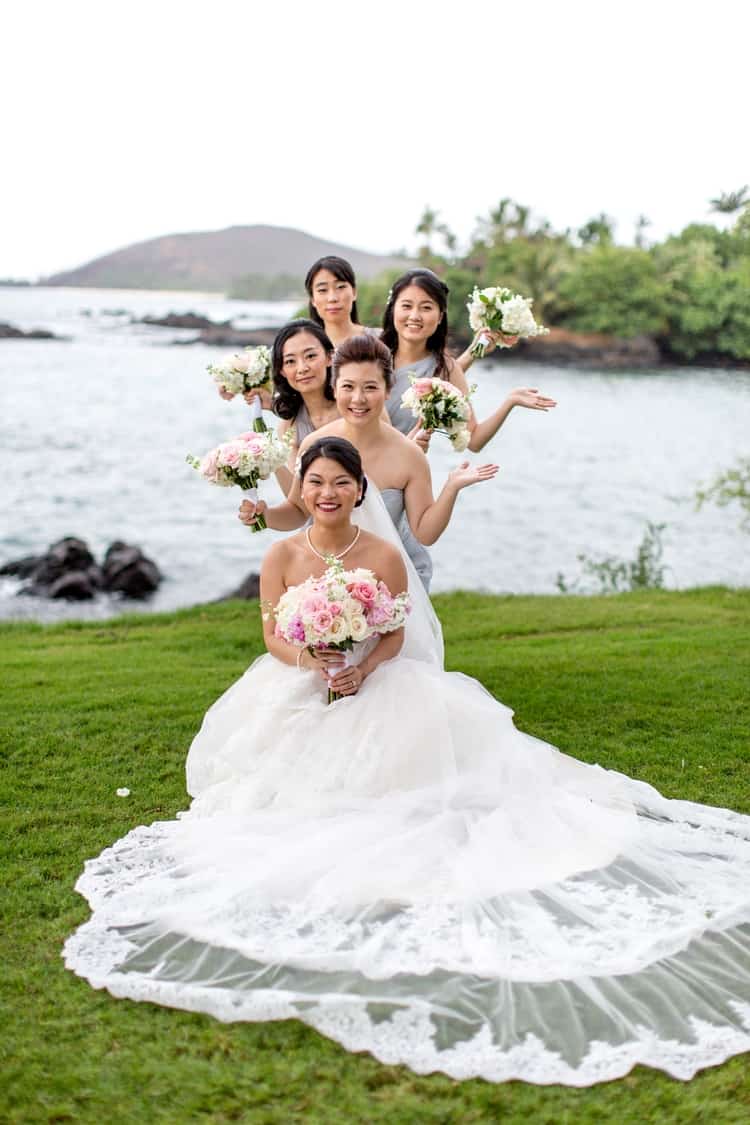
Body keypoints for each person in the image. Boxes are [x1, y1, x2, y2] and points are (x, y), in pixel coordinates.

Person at [64, 436, 750, 1086]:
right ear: (300, 489)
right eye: (315, 482)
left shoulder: (383, 556)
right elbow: (273, 632)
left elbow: (392, 634)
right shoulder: (279, 554)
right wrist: (313, 658)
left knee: (404, 785)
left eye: (340, 482)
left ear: (360, 489)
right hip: (302, 676)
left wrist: (358, 667)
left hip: (374, 678)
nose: (327, 492)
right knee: (271, 794)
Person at [238, 333, 499, 590]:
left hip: (387, 584)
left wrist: (451, 488)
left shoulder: (409, 455)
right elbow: (297, 512)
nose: (358, 399)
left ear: (388, 390)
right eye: (348, 387)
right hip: (323, 581)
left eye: (370, 387)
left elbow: (425, 533)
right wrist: (264, 515)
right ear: (334, 387)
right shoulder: (313, 445)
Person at [382, 268, 557, 450]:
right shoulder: (369, 350)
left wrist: (510, 401)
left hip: (400, 473)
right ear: (393, 309)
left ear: (440, 316)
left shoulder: (446, 369)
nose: (415, 316)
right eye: (406, 306)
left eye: (426, 307)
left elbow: (473, 440)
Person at [305, 255, 484, 374]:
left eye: (340, 287)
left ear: (354, 292)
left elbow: (427, 377)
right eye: (322, 290)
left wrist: (475, 351)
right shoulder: (304, 349)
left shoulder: (379, 341)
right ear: (312, 298)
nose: (332, 298)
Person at [268, 319, 339, 494]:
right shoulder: (289, 426)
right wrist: (271, 460)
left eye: (310, 356)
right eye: (290, 361)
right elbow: (297, 496)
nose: (302, 368)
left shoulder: (355, 405)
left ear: (329, 357)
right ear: (282, 371)